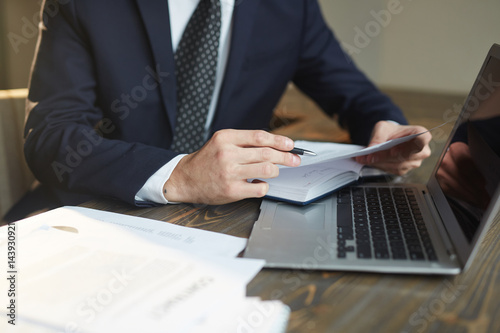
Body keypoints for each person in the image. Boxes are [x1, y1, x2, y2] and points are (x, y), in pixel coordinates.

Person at [20, 0, 431, 212]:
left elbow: (354, 95)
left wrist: (388, 129)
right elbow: (51, 135)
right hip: (93, 213)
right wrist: (179, 176)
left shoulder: (291, 8)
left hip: (224, 221)